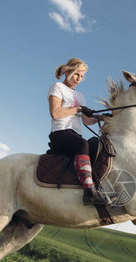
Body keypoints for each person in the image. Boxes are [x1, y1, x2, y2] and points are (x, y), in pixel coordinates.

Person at [48, 58, 110, 205]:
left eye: (82, 76)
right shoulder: (57, 87)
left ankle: (96, 185)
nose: (79, 79)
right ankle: (89, 192)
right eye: (77, 75)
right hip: (60, 133)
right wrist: (78, 109)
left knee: (96, 143)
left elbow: (87, 120)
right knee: (83, 144)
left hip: (75, 134)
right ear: (68, 71)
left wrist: (103, 117)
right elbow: (55, 113)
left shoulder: (80, 96)